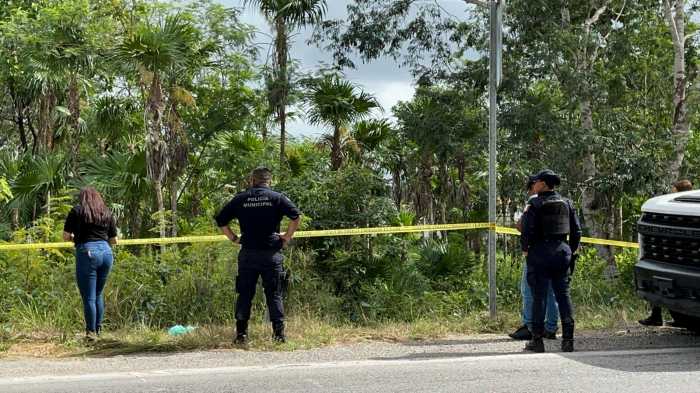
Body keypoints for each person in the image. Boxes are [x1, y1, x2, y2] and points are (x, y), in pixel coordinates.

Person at [215, 167, 301, 344]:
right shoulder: (277, 197)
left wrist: (233, 238)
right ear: (269, 181)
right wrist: (286, 237)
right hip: (271, 254)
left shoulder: (240, 198)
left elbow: (221, 220)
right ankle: (279, 336)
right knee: (274, 294)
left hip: (248, 254)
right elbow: (296, 216)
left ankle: (241, 335)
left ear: (252, 180)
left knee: (245, 294)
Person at [521, 170, 582, 353]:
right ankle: (568, 340)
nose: (534, 184)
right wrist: (570, 250)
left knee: (539, 297)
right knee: (563, 296)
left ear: (544, 184)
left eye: (536, 182)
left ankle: (537, 341)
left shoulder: (534, 203)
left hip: (540, 252)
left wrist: (526, 250)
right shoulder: (567, 202)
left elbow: (526, 230)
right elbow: (577, 231)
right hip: (562, 252)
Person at [63, 187, 118, 342]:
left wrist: (78, 238)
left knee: (88, 297)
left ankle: (90, 334)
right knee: (98, 294)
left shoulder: (77, 211)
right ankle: (98, 332)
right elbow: (114, 240)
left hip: (88, 253)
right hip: (107, 253)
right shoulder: (106, 212)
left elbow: (66, 236)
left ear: (82, 198)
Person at [509, 176, 559, 341]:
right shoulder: (562, 201)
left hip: (536, 252)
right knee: (552, 292)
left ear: (540, 185)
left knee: (528, 289)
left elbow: (524, 227)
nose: (531, 190)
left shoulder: (533, 201)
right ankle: (551, 327)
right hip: (557, 252)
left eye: (531, 186)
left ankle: (529, 326)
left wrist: (525, 250)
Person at [638, 179, 693, 326]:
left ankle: (662, 317)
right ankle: (665, 317)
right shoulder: (680, 208)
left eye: (673, 190)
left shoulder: (681, 209)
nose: (671, 192)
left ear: (679, 191)